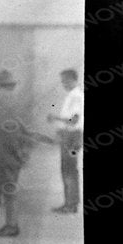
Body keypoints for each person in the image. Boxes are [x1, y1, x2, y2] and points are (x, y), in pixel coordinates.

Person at [0, 70, 29, 237]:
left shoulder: (4, 104)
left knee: (9, 193)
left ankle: (11, 226)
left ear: (1, 87)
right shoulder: (16, 103)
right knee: (10, 191)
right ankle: (11, 224)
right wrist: (22, 153)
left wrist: (13, 153)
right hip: (12, 154)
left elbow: (7, 133)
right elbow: (24, 130)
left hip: (6, 154)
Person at [47, 67, 83, 212]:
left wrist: (55, 118)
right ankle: (70, 203)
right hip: (71, 137)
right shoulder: (73, 95)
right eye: (62, 81)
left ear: (73, 79)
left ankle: (71, 204)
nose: (64, 84)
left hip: (73, 138)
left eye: (65, 81)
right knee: (69, 169)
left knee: (69, 169)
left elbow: (73, 120)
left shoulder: (75, 96)